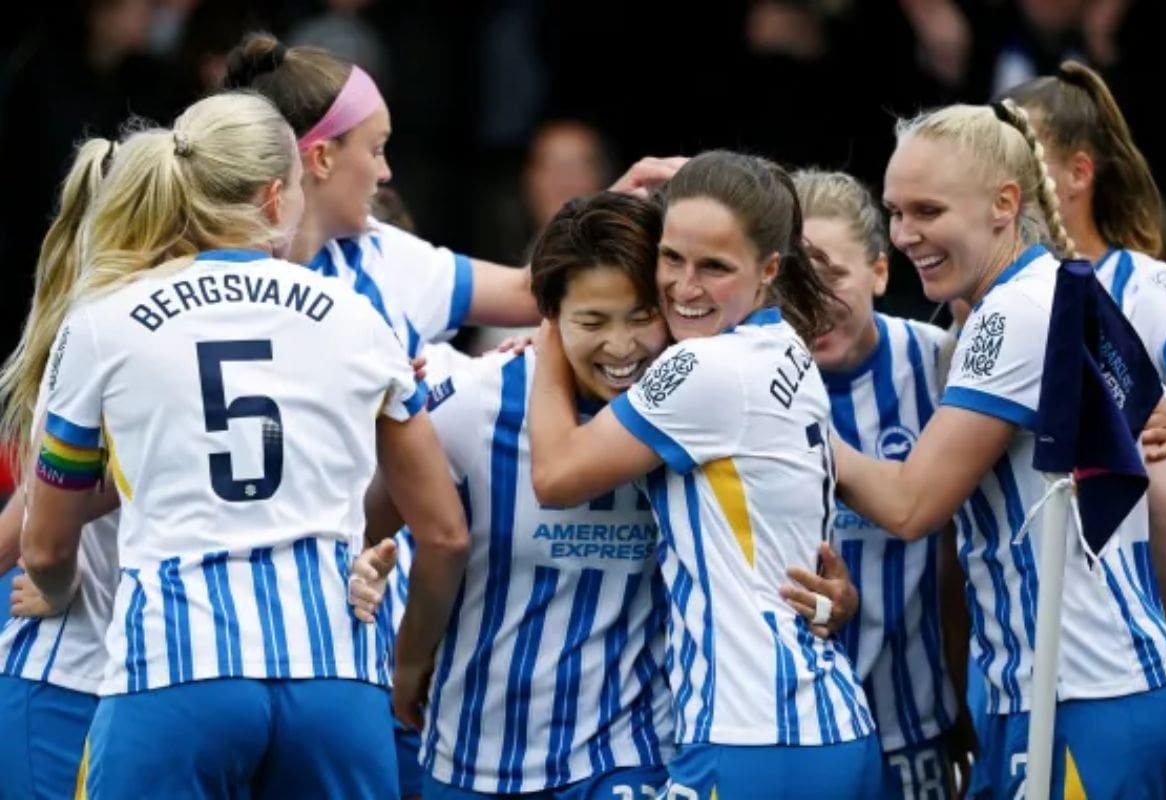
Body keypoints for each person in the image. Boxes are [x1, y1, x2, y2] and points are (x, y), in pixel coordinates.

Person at [19, 90, 469, 799]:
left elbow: (44, 546)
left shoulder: (104, 323)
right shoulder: (357, 319)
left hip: (173, 672)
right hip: (334, 674)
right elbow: (443, 533)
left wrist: (54, 590)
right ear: (272, 198)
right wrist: (408, 663)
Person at [834, 98, 1166, 798]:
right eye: (895, 211)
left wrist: (794, 428)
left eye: (928, 212)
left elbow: (912, 506)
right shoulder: (1054, 289)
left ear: (1005, 203)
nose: (905, 235)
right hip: (1080, 692)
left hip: (1081, 696)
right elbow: (1163, 498)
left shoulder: (1013, 316)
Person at [526, 150, 881, 800]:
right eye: (671, 258)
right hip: (822, 722)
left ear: (769, 268)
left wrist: (556, 323)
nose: (685, 288)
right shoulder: (786, 350)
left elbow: (556, 474)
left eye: (714, 267)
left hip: (752, 735)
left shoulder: (708, 369)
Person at [392, 191, 673, 799]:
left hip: (627, 758)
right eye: (592, 322)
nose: (623, 347)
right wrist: (407, 656)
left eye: (642, 315)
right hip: (468, 756)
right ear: (546, 315)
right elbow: (376, 523)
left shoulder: (696, 408)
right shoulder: (474, 402)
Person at [222, 33, 683, 354]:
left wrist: (614, 207)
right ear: (322, 159)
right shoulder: (192, 260)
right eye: (377, 148)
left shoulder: (383, 256)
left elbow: (527, 291)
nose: (385, 172)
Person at [792, 168, 964, 799]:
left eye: (831, 275)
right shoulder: (737, 377)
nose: (811, 301)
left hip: (914, 726)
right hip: (788, 732)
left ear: (880, 271)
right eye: (792, 280)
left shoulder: (943, 364)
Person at [0, 137, 122, 800]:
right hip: (67, 677)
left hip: (138, 683)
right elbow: (42, 509)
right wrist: (51, 565)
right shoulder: (101, 334)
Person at [1002, 61, 1166, 405]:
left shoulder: (1142, 286)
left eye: (1019, 162)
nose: (1000, 184)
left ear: (1078, 173)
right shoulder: (986, 298)